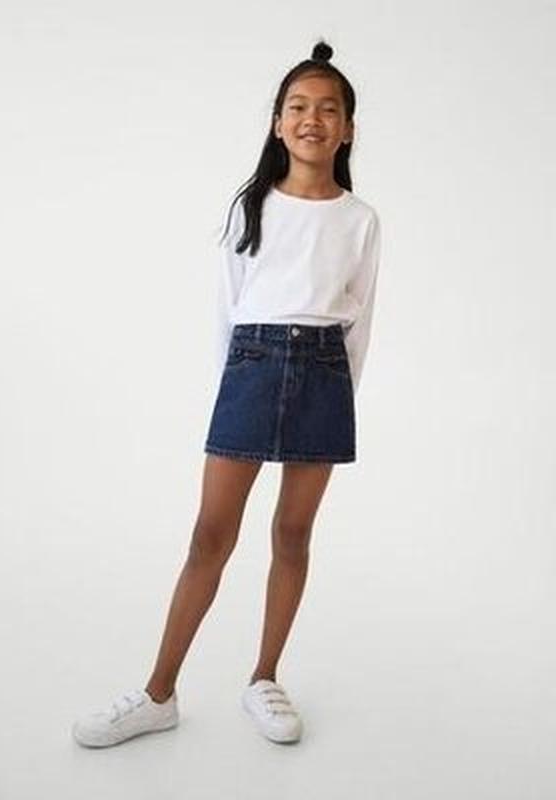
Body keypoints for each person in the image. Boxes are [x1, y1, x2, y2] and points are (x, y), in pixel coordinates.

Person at [72, 38, 382, 749]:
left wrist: (342, 402)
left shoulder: (360, 219)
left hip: (325, 374)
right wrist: (231, 392)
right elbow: (227, 310)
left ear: (348, 129)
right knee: (210, 536)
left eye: (327, 109)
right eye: (297, 107)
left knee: (292, 535)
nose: (311, 119)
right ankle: (158, 693)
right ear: (277, 123)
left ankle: (264, 677)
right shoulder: (253, 206)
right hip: (252, 367)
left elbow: (361, 319)